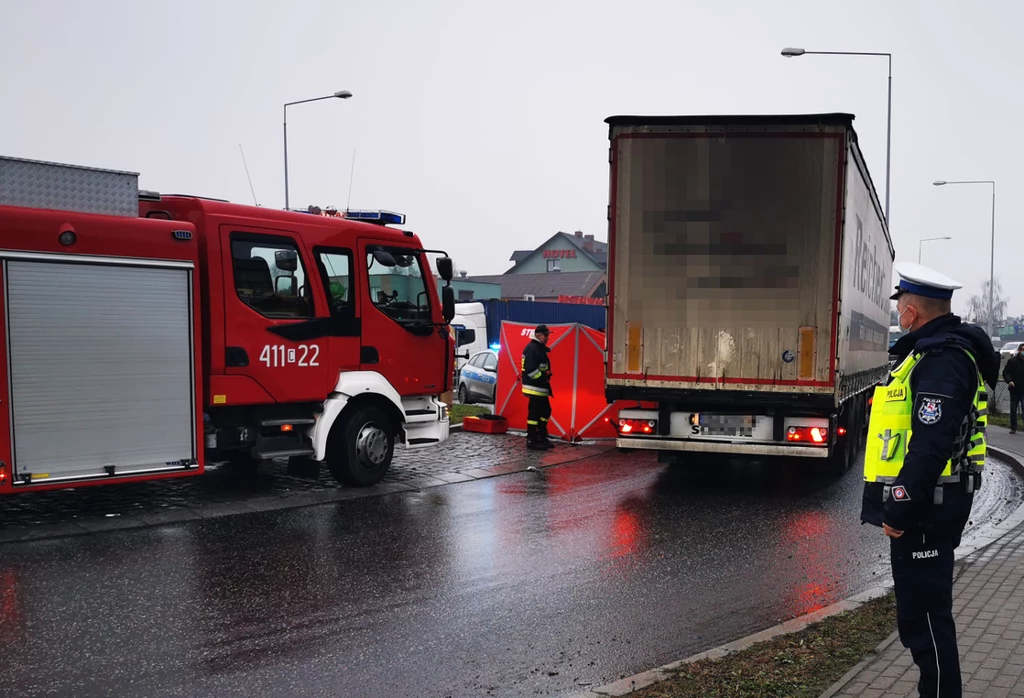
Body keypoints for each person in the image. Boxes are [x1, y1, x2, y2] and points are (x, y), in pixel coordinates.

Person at [862, 262, 998, 698]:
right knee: (920, 618)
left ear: (913, 312)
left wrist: (900, 505)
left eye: (901, 305)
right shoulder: (931, 353)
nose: (899, 313)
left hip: (926, 509)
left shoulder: (943, 360)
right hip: (930, 504)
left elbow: (930, 447)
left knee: (926, 621)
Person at [521, 325, 553, 450]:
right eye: (546, 336)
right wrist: (542, 377)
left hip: (540, 387)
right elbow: (530, 370)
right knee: (534, 414)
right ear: (538, 335)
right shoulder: (532, 348)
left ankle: (541, 436)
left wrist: (546, 374)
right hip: (534, 387)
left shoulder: (537, 348)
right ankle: (532, 439)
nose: (547, 338)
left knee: (545, 411)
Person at [1002, 343, 1024, 433]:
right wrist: (1009, 381)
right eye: (1022, 349)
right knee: (1013, 409)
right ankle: (1013, 427)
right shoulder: (1012, 361)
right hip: (1014, 389)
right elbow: (1006, 373)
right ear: (1019, 350)